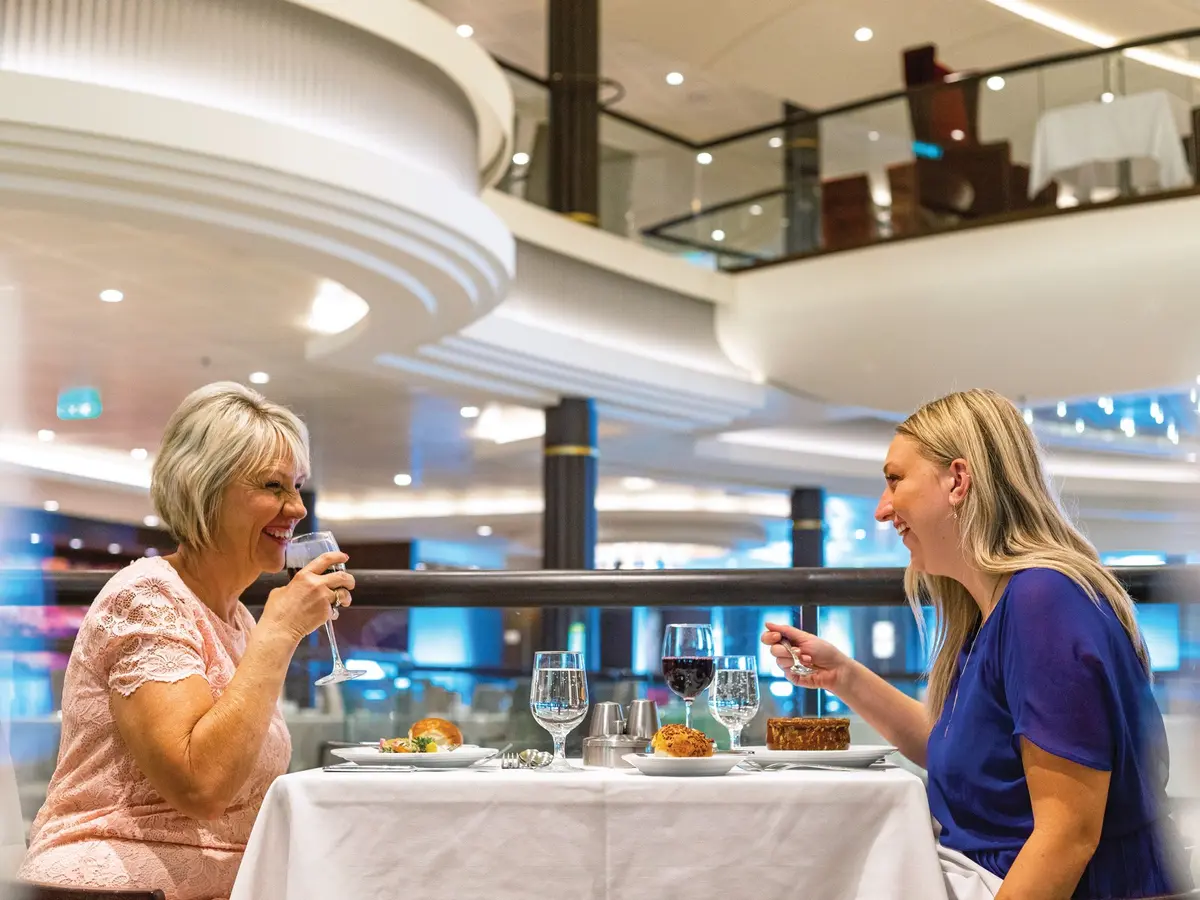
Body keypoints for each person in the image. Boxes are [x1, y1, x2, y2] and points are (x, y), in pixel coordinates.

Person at [763, 389, 1189, 900]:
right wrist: (843, 676)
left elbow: (1069, 834)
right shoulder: (993, 611)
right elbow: (964, 755)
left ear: (958, 481)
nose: (881, 510)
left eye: (894, 480)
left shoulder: (1042, 601)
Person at [17, 382, 354, 899]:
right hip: (115, 889)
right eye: (273, 486)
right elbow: (201, 786)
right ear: (206, 489)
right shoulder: (146, 598)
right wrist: (281, 631)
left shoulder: (237, 618)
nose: (296, 509)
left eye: (297, 487)